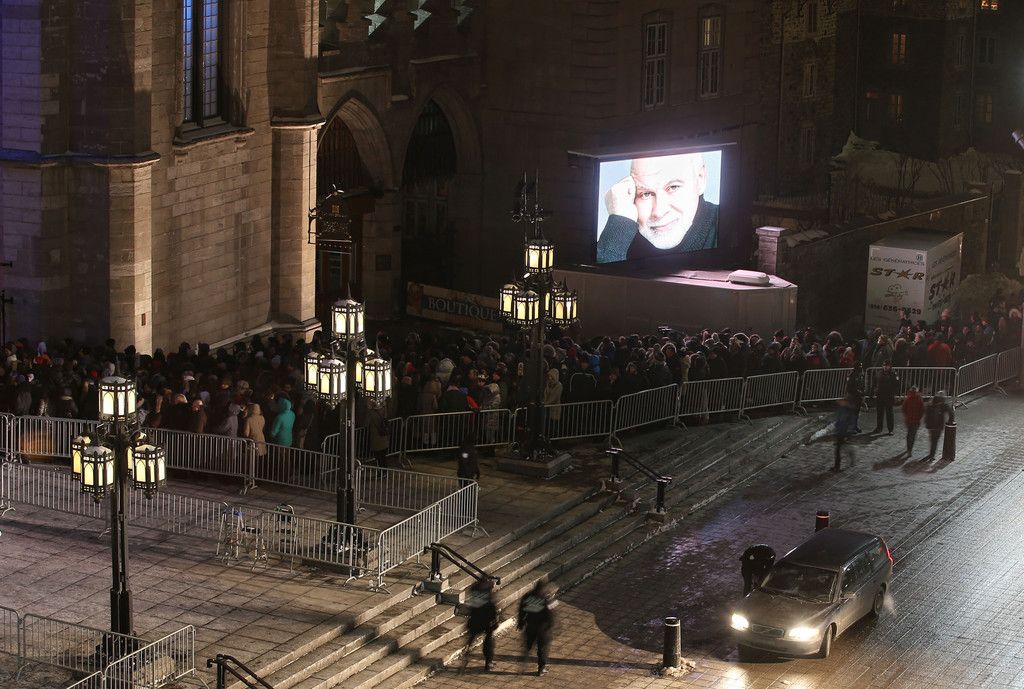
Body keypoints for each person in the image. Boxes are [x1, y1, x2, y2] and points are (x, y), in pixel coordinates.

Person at [596, 153, 719, 262]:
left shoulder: (727, 228)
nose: (659, 212)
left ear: (700, 180)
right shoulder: (619, 238)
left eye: (673, 187)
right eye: (646, 194)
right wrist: (618, 223)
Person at [517, 580, 554, 676]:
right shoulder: (545, 598)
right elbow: (550, 614)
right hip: (542, 629)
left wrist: (520, 622)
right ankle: (541, 669)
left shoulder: (527, 596)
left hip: (530, 626)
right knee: (542, 649)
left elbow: (521, 610)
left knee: (528, 646)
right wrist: (550, 625)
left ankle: (523, 662)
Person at [462, 578, 498, 672]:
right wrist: (495, 621)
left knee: (472, 637)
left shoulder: (475, 591)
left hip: (475, 619)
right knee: (488, 642)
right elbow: (492, 609)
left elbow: (472, 607)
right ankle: (488, 662)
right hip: (486, 621)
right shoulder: (488, 594)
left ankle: (467, 651)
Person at [923, 391, 952, 461]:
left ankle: (931, 454)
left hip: (930, 426)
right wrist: (950, 421)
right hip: (938, 426)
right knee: (935, 440)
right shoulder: (944, 405)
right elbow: (951, 413)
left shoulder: (930, 403)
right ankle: (932, 455)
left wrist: (926, 422)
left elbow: (926, 413)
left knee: (932, 440)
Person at [872, 361, 899, 435]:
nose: (885, 367)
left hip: (889, 396)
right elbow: (875, 383)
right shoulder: (879, 373)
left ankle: (890, 429)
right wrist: (873, 392)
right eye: (884, 365)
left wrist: (894, 394)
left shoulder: (893, 374)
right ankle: (879, 428)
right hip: (880, 396)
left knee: (889, 414)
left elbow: (897, 385)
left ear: (890, 366)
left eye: (887, 365)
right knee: (879, 413)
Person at [833, 398, 856, 472]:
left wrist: (848, 433)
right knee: (842, 448)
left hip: (844, 432)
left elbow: (851, 423)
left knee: (838, 450)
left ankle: (837, 466)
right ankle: (851, 458)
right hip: (840, 432)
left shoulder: (849, 411)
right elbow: (838, 420)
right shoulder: (842, 409)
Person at [901, 386, 924, 456]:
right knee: (913, 435)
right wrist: (919, 417)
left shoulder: (908, 398)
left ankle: (908, 449)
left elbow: (903, 408)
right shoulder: (919, 399)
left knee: (909, 434)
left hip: (908, 420)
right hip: (916, 420)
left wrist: (906, 416)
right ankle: (910, 450)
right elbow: (922, 410)